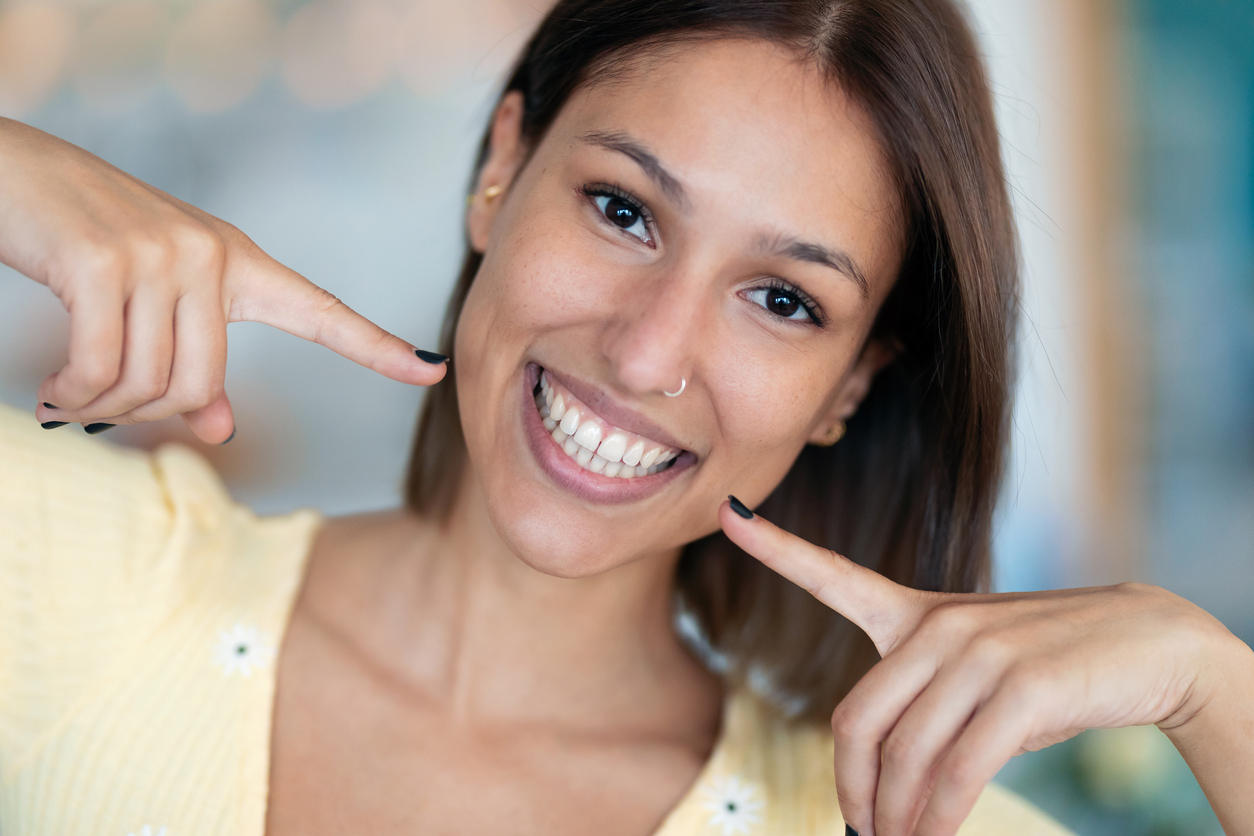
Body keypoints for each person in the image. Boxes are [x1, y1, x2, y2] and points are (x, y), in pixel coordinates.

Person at [1, 1, 1250, 835]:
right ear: (504, 170)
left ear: (852, 387)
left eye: (780, 298)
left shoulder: (889, 816)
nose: (648, 351)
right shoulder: (62, 578)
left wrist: (1213, 687)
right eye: (623, 210)